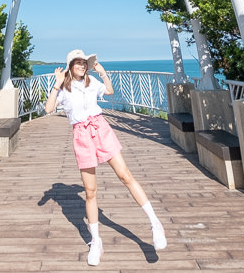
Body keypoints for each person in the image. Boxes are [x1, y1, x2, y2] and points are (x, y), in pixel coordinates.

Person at [44, 49, 167, 266]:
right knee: (90, 192)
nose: (82, 66)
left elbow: (109, 92)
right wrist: (56, 84)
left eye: (85, 63)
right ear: (70, 66)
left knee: (125, 175)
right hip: (81, 135)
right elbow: (48, 109)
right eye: (78, 63)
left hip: (101, 128)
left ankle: (155, 223)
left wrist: (103, 73)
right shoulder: (63, 89)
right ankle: (96, 241)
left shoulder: (92, 83)